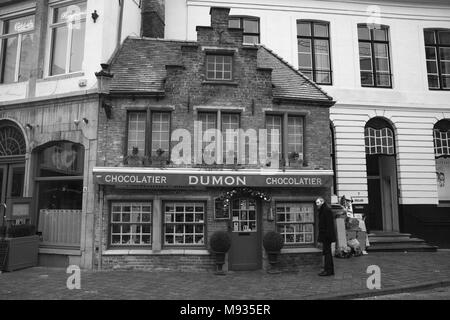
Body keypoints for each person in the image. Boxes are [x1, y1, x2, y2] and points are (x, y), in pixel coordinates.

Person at [316, 197, 336, 276]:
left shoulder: (326, 211)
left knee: (327, 253)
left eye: (318, 204)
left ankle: (328, 270)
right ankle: (329, 270)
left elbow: (328, 225)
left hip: (327, 236)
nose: (317, 205)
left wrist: (325, 237)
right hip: (326, 235)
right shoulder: (324, 210)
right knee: (327, 253)